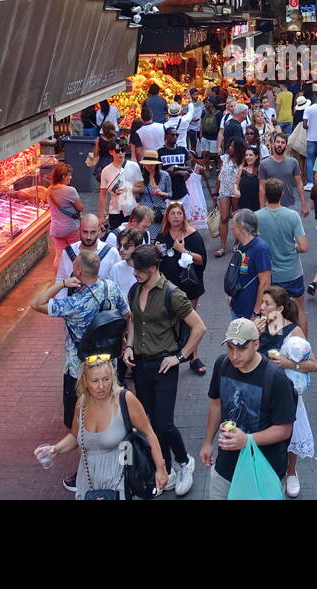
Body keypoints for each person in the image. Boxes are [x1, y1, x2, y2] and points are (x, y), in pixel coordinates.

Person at [29, 249, 130, 492]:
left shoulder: (74, 303)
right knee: (111, 414)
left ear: (77, 272)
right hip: (109, 366)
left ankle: (85, 470)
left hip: (81, 372)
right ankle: (121, 462)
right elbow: (127, 314)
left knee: (81, 423)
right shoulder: (111, 288)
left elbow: (36, 303)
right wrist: (124, 341)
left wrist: (62, 283)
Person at [123, 244, 207, 496]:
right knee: (151, 422)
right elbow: (136, 322)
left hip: (164, 364)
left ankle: (183, 462)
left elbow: (199, 327)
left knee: (164, 422)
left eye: (138, 269)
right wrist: (128, 346)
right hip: (140, 364)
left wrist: (180, 357)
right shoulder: (135, 290)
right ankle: (167, 468)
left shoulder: (173, 294)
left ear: (152, 268)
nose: (134, 273)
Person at [38, 355, 167, 499]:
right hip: (88, 482)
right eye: (95, 381)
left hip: (119, 480)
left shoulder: (125, 399)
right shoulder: (82, 404)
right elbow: (75, 436)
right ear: (85, 381)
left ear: (112, 378)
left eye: (106, 379)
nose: (101, 386)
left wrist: (161, 469)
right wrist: (56, 449)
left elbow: (149, 433)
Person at [199, 317, 298, 500]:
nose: (235, 355)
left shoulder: (275, 378)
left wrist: (247, 440)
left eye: (242, 348)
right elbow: (216, 403)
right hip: (225, 468)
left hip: (263, 469)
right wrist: (207, 442)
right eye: (230, 348)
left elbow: (284, 429)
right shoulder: (222, 365)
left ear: (256, 344)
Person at [255, 286, 317, 498]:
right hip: (260, 390)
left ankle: (291, 472)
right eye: (262, 303)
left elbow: (313, 365)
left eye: (267, 304)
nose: (262, 308)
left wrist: (289, 363)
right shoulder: (257, 325)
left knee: (290, 432)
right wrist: (253, 334)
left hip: (285, 391)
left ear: (280, 308)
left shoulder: (294, 331)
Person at [154, 200, 209, 375]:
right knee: (169, 320)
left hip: (189, 285)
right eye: (173, 214)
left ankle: (194, 356)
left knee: (190, 321)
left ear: (184, 216)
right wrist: (155, 250)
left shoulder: (192, 235)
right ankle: (172, 353)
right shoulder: (162, 234)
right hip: (168, 285)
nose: (176, 217)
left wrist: (183, 250)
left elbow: (202, 260)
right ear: (167, 216)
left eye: (179, 213)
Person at [254, 177, 310, 334]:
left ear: (265, 193)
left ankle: (277, 347)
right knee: (299, 311)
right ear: (282, 194)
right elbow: (304, 247)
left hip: (271, 275)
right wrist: (293, 247)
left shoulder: (257, 217)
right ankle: (302, 346)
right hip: (292, 272)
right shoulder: (292, 216)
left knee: (273, 314)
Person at [226, 209, 273, 319]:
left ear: (241, 227)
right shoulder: (242, 245)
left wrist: (256, 313)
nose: (231, 228)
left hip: (250, 314)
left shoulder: (261, 249)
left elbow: (265, 283)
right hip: (238, 309)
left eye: (233, 224)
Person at [56, 213, 121, 284]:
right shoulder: (68, 252)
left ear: (99, 230)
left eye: (93, 232)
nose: (88, 237)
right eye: (85, 232)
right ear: (79, 230)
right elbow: (60, 279)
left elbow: (118, 281)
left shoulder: (112, 253)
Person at [46, 162, 83, 277]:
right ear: (63, 176)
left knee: (59, 254)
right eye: (69, 175)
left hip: (56, 229)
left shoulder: (49, 190)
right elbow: (80, 207)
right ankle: (76, 277)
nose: (71, 177)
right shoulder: (70, 190)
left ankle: (59, 278)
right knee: (75, 253)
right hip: (70, 228)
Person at [258, 131, 307, 215]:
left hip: (289, 205)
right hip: (269, 205)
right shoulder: (264, 164)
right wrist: (262, 208)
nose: (280, 144)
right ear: (273, 144)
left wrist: (304, 205)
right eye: (277, 142)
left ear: (286, 146)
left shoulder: (293, 162)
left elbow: (299, 184)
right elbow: (261, 187)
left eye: (282, 142)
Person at [99, 142, 144, 234]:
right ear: (111, 152)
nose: (120, 153)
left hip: (132, 209)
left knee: (133, 236)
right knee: (116, 237)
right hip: (115, 210)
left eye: (123, 150)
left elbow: (141, 188)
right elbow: (103, 194)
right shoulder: (106, 170)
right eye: (117, 151)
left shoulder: (134, 166)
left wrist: (127, 188)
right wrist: (101, 215)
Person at [213, 137, 243, 258]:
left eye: (232, 146)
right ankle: (223, 246)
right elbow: (220, 176)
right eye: (229, 146)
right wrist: (215, 193)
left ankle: (237, 242)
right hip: (224, 190)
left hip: (236, 191)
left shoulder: (242, 160)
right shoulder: (224, 158)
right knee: (224, 218)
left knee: (236, 218)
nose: (229, 148)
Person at [157, 127, 192, 204]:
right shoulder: (160, 152)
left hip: (182, 192)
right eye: (172, 135)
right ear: (166, 136)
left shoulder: (182, 150)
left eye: (177, 135)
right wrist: (178, 172)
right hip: (166, 195)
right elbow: (159, 174)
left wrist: (176, 167)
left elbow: (190, 168)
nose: (175, 137)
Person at [137, 150, 172, 220]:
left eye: (152, 164)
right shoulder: (140, 176)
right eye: (147, 164)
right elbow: (137, 199)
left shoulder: (165, 175)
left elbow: (170, 194)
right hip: (146, 212)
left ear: (156, 164)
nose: (149, 167)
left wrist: (161, 193)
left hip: (160, 210)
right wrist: (137, 191)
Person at [236, 145, 262, 213]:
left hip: (257, 205)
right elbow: (236, 184)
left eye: (250, 155)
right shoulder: (241, 169)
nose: (248, 157)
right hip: (243, 204)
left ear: (256, 156)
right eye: (246, 155)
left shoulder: (260, 170)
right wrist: (236, 190)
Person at [185, 88, 204, 154]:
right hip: (191, 128)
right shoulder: (187, 105)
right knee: (193, 145)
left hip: (200, 127)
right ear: (191, 95)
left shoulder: (201, 103)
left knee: (203, 144)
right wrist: (192, 119)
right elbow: (184, 116)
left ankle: (203, 158)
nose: (197, 96)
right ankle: (194, 159)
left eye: (197, 94)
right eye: (195, 94)